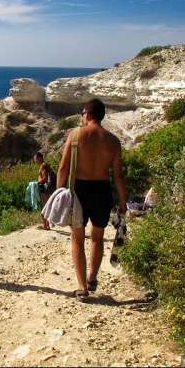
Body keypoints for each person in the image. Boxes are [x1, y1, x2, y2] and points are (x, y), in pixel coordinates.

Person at [56, 98, 127, 301]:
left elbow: (63, 168)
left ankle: (81, 288)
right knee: (97, 237)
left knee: (77, 238)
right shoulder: (113, 141)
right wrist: (123, 201)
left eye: (82, 113)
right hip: (102, 190)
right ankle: (92, 278)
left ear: (87, 114)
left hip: (79, 190)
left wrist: (58, 193)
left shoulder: (76, 134)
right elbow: (118, 176)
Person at [33, 152, 56, 230]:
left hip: (44, 188)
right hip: (47, 188)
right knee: (46, 205)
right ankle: (47, 225)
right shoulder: (45, 165)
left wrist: (36, 183)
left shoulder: (43, 166)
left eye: (35, 158)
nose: (34, 160)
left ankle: (45, 225)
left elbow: (45, 178)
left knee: (43, 206)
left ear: (39, 158)